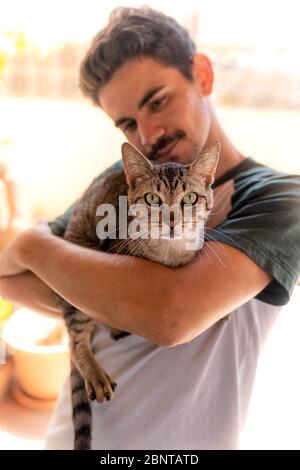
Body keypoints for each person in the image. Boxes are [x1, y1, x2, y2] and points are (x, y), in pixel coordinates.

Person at [0, 7, 300, 450]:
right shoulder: (122, 181)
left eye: (157, 100)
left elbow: (169, 316)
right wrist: (47, 258)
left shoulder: (282, 200)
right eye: (126, 123)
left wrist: (32, 247)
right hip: (70, 437)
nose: (148, 134)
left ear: (202, 74)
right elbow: (8, 276)